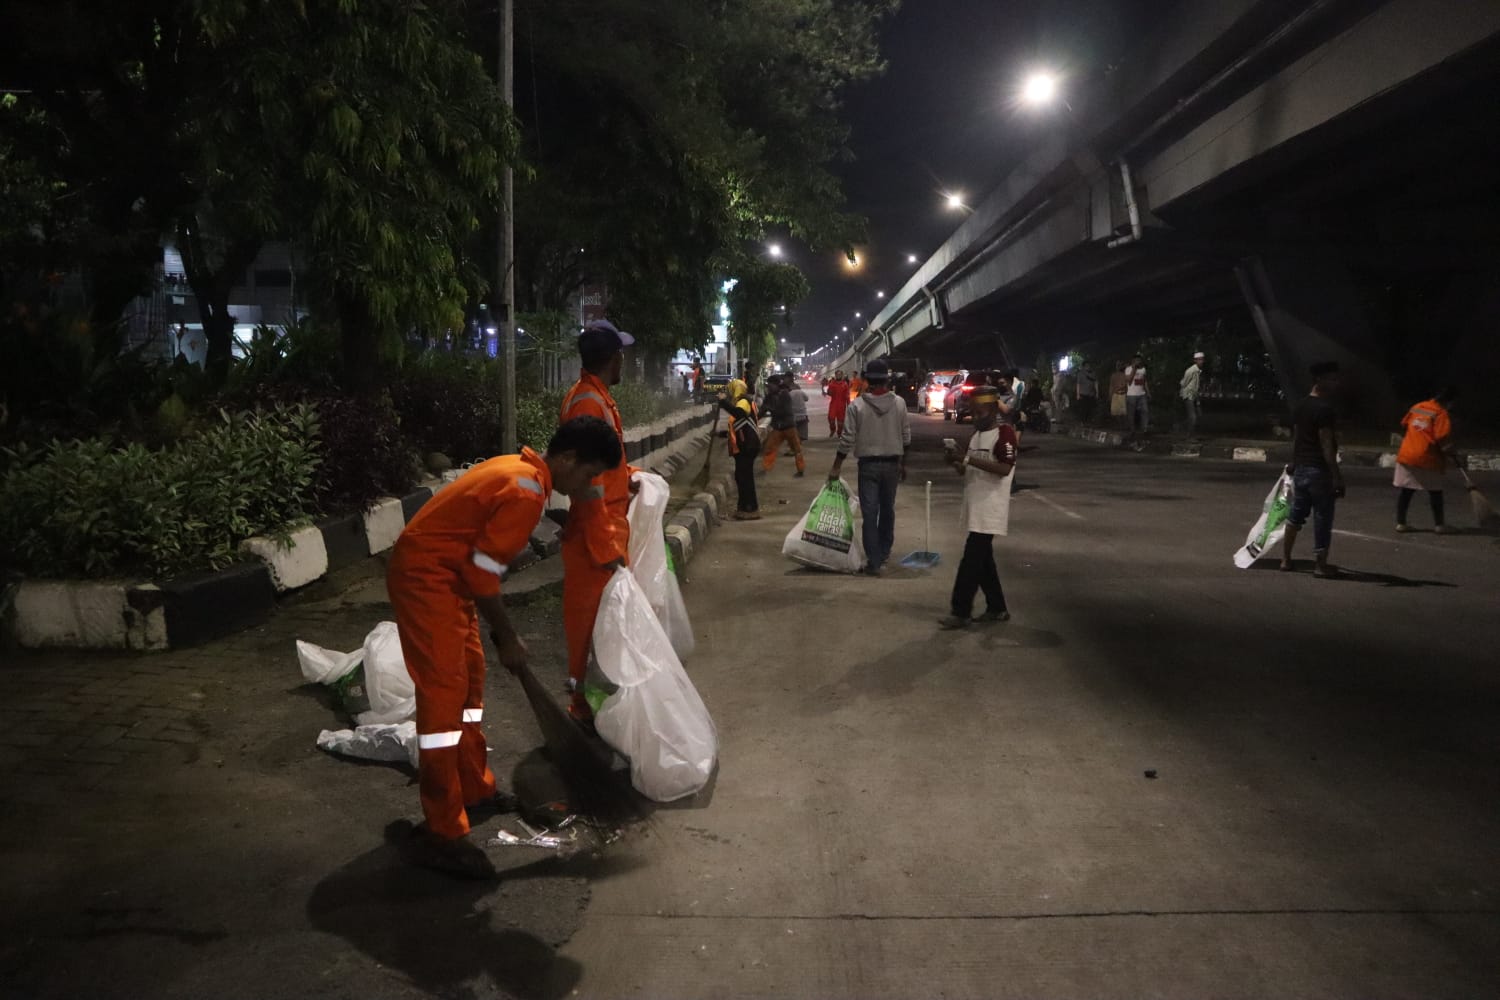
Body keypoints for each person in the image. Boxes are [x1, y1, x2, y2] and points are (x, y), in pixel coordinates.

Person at [387, 416, 622, 878]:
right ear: (568, 459)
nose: (586, 486)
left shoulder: (519, 469)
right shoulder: (526, 490)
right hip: (427, 580)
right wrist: (508, 637)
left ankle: (474, 787)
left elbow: (475, 565)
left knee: (470, 688)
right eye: (589, 475)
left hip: (448, 581)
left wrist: (497, 636)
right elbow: (481, 572)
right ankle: (442, 830)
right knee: (442, 706)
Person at [558, 320, 638, 723]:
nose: (624, 359)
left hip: (604, 527)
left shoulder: (595, 396)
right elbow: (585, 483)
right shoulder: (589, 402)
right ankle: (584, 710)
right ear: (613, 358)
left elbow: (602, 468)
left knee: (604, 628)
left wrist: (629, 476)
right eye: (621, 353)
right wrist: (606, 547)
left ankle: (596, 705)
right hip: (595, 535)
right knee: (591, 630)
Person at [938, 385, 1017, 629]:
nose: (975, 417)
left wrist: (968, 458)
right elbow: (966, 469)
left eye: (980, 413)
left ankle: (960, 611)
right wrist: (955, 460)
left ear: (993, 410)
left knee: (971, 562)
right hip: (974, 507)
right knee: (984, 563)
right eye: (973, 412)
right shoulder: (975, 436)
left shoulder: (1004, 434)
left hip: (990, 509)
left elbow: (1005, 469)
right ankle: (997, 608)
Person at [827, 360, 911, 576]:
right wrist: (904, 463)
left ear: (866, 380)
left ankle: (873, 560)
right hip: (892, 464)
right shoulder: (900, 403)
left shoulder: (857, 406)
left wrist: (836, 466)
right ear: (886, 379)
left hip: (868, 467)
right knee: (888, 510)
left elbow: (847, 439)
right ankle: (883, 552)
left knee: (870, 513)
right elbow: (906, 436)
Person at [1281, 361, 1345, 577]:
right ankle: (1320, 565)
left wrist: (1294, 462)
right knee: (1322, 518)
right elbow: (1326, 445)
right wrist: (1336, 476)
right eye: (1332, 379)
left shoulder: (1300, 405)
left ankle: (1286, 559)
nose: (1336, 383)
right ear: (1320, 380)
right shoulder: (1325, 409)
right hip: (1319, 471)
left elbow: (1297, 438)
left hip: (1301, 470)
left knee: (1295, 516)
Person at [1394, 387, 1460, 534]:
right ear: (1448, 402)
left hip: (1407, 454)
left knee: (1406, 490)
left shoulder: (1418, 406)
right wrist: (1451, 452)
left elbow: (1405, 424)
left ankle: (1401, 523)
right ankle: (1439, 525)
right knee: (1435, 491)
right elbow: (1442, 438)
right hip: (1427, 457)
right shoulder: (1441, 414)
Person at [719, 378, 762, 519]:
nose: (730, 393)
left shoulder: (743, 402)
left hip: (747, 446)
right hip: (745, 445)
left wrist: (723, 402)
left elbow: (739, 414)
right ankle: (744, 508)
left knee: (744, 477)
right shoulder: (742, 401)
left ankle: (750, 509)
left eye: (731, 390)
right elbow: (739, 424)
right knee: (741, 476)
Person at [761, 376, 806, 477]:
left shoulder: (785, 394)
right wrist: (755, 418)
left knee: (797, 449)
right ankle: (766, 468)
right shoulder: (769, 396)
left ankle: (800, 470)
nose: (768, 388)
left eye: (770, 385)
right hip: (778, 427)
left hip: (789, 426)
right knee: (769, 448)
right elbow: (763, 409)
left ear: (776, 385)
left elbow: (784, 411)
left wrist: (770, 409)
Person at [1180, 351, 1206, 434]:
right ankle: (1188, 434)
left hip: (1194, 395)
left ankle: (1184, 429)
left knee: (1197, 415)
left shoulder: (1198, 371)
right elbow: (1183, 383)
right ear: (1195, 360)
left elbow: (1196, 386)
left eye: (1202, 359)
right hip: (1188, 395)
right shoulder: (1191, 371)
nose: (1201, 361)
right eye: (1199, 360)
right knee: (1193, 417)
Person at [1123, 353, 1150, 432]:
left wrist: (1148, 392)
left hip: (1142, 394)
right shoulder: (1128, 369)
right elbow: (1129, 381)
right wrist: (1134, 369)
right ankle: (1132, 430)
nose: (1138, 362)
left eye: (1139, 360)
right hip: (1131, 395)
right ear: (1133, 361)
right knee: (1131, 413)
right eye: (1136, 360)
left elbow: (1144, 381)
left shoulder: (1143, 369)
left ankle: (1144, 429)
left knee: (1145, 411)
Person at [787, 376, 810, 453]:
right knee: (801, 433)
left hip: (793, 417)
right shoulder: (801, 392)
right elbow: (807, 399)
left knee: (794, 433)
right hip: (803, 416)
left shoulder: (789, 394)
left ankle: (793, 449)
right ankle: (798, 447)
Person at [827, 369, 851, 437]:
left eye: (840, 374)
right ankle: (832, 429)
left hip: (841, 406)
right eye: (837, 374)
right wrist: (829, 391)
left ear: (842, 375)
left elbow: (847, 396)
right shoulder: (832, 384)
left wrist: (849, 405)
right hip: (833, 404)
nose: (838, 375)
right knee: (831, 419)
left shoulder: (845, 384)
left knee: (840, 422)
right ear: (835, 375)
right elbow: (829, 393)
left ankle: (839, 433)